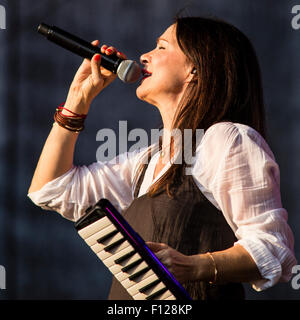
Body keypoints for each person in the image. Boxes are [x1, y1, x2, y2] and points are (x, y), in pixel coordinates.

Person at [28, 16, 297, 300]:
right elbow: (50, 189)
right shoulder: (146, 161)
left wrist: (193, 266)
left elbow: (273, 249)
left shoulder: (225, 140)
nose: (144, 56)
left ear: (195, 68)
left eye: (161, 47)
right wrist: (77, 100)